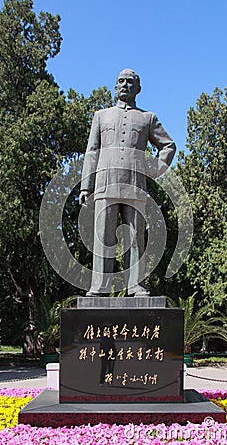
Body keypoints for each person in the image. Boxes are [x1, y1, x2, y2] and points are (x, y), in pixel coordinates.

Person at [79, 69, 176, 297]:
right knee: (103, 237)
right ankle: (100, 286)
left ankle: (136, 285)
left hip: (135, 186)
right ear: (115, 87)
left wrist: (154, 169)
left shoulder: (147, 118)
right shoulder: (101, 116)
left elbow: (168, 146)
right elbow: (92, 151)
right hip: (105, 184)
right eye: (121, 81)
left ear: (138, 88)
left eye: (130, 82)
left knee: (135, 238)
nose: (125, 85)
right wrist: (86, 185)